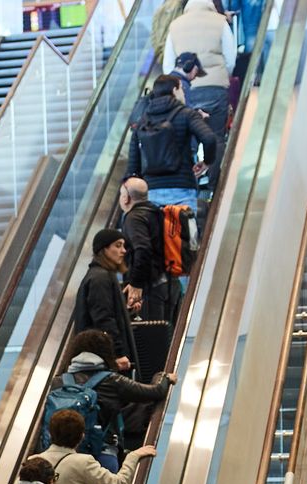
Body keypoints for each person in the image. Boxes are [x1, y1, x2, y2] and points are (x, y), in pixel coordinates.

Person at [62, 328, 173, 458]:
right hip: (102, 453)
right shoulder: (112, 381)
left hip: (63, 457)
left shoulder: (59, 381)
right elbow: (155, 391)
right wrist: (163, 376)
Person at [127, 74, 220, 213]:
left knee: (154, 233)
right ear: (175, 90)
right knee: (183, 233)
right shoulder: (187, 114)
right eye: (181, 89)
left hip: (151, 190)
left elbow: (133, 159)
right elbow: (209, 138)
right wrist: (207, 162)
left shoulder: (143, 120)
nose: (183, 93)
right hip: (182, 188)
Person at [166, 0, 237, 177]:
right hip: (215, 89)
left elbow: (168, 66)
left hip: (185, 91)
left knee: (187, 141)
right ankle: (213, 186)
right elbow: (231, 58)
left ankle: (193, 185)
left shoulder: (175, 26)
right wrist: (221, 76)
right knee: (216, 138)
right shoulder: (220, 21)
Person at [40, 407, 156, 484]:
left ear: (50, 433)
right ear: (81, 437)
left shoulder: (34, 460)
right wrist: (133, 457)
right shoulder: (83, 462)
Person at [75, 230, 139, 371]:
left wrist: (127, 311)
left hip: (101, 356)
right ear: (104, 249)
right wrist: (118, 353)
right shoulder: (100, 278)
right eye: (118, 246)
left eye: (123, 246)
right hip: (103, 358)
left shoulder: (101, 275)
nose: (123, 251)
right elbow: (103, 319)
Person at [119, 179, 171, 322]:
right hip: (166, 282)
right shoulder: (156, 212)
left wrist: (136, 283)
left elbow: (143, 249)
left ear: (126, 198)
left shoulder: (134, 218)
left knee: (150, 337)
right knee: (163, 335)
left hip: (149, 287)